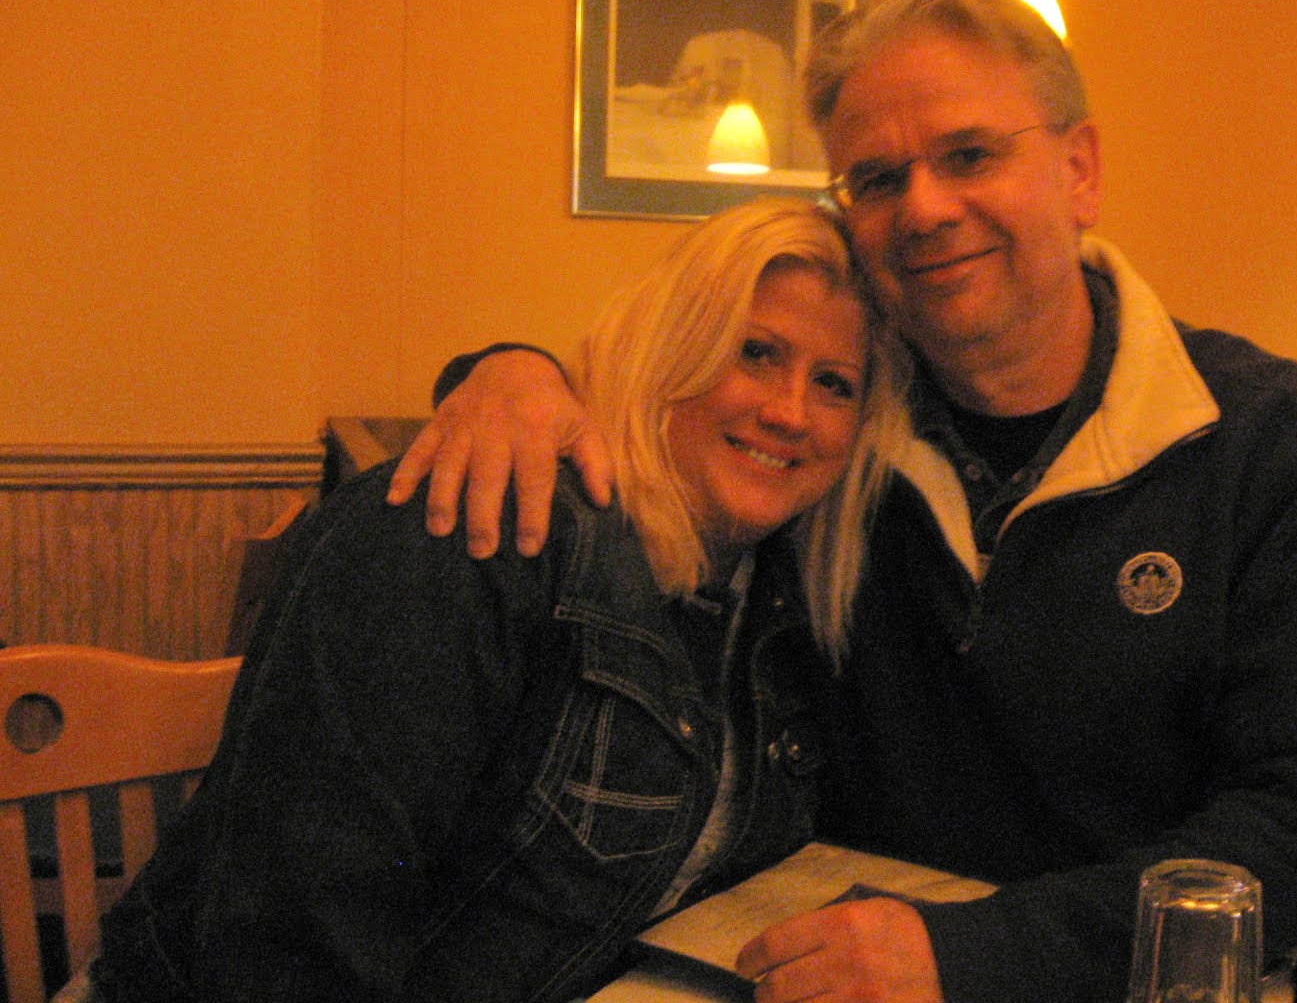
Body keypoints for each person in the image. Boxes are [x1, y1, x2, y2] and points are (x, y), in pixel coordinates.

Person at [388, 0, 1297, 1003]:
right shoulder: (823, 439)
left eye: (969, 155)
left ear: (1079, 170)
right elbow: (662, 407)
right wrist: (509, 373)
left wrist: (978, 957)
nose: (923, 208)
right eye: (877, 180)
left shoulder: (1268, 437)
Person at [88, 197, 909, 1002]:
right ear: (671, 349)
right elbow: (289, 935)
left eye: (834, 384)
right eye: (755, 353)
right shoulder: (482, 525)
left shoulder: (784, 606)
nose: (790, 412)